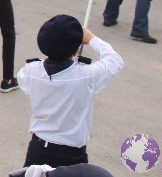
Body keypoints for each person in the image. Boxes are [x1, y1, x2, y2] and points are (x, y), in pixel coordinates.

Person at [17, 15, 124, 167]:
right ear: (76, 49)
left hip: (37, 149)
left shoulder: (29, 70)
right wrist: (91, 38)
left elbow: (25, 81)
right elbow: (115, 60)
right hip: (71, 155)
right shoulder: (86, 76)